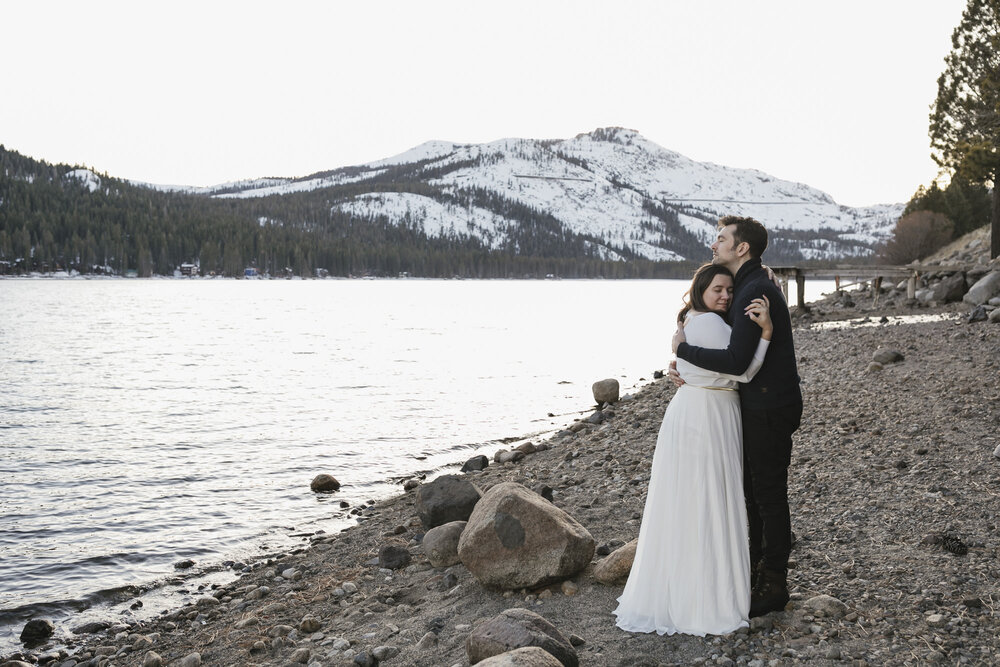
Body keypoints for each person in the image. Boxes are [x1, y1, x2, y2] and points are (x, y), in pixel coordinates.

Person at [613, 263, 773, 636]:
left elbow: (709, 366)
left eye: (730, 291)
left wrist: (679, 355)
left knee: (687, 501)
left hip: (695, 410)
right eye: (718, 288)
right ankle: (708, 599)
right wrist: (765, 332)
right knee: (710, 499)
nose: (725, 296)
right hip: (709, 415)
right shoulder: (710, 325)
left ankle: (682, 590)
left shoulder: (692, 322)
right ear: (700, 287)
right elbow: (745, 372)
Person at [671, 216, 803, 618]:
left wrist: (683, 350)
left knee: (767, 495)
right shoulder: (750, 283)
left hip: (768, 406)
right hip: (759, 404)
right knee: (753, 493)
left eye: (721, 239)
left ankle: (774, 581)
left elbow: (736, 360)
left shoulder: (755, 287)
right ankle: (754, 568)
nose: (714, 246)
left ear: (741, 247)